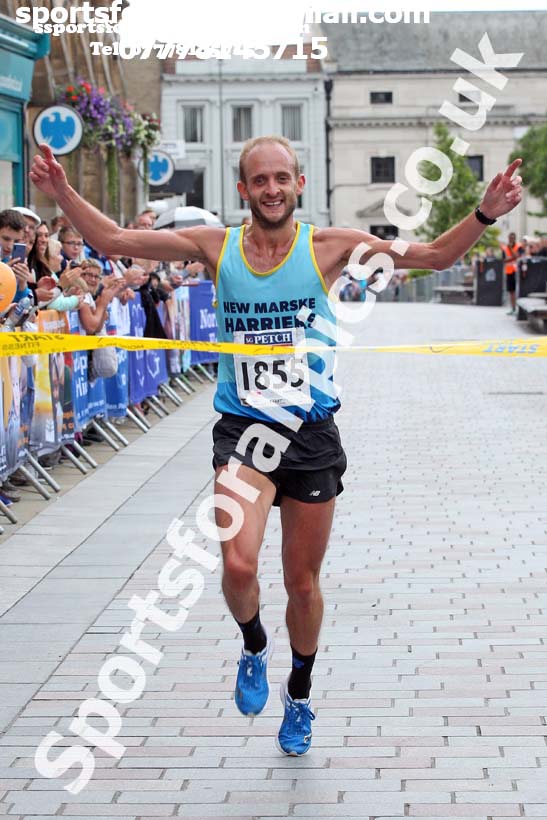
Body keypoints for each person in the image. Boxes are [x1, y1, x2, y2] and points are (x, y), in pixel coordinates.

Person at [30, 136, 522, 756]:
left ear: (298, 185)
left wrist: (484, 213)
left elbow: (433, 256)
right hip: (245, 431)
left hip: (309, 435)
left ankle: (300, 692)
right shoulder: (218, 246)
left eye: (281, 178)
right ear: (243, 189)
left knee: (302, 585)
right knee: (238, 566)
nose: (271, 189)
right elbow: (115, 240)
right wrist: (64, 192)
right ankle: (254, 645)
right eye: (259, 180)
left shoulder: (331, 247)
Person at [500, 231, 523, 315]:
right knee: (511, 291)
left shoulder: (519, 246)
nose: (511, 239)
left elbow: (517, 256)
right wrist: (513, 257)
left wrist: (511, 251)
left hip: (518, 272)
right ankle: (513, 309)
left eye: (513, 238)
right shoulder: (504, 248)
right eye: (510, 238)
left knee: (518, 290)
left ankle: (519, 309)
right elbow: (504, 260)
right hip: (509, 272)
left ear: (515, 238)